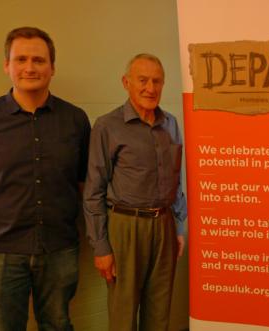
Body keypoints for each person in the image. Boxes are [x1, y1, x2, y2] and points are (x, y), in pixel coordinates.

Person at [0, 27, 90, 330]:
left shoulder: (75, 120)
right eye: (21, 59)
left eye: (39, 60)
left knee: (58, 323)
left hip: (59, 248)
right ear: (7, 66)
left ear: (52, 67)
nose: (30, 67)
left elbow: (82, 180)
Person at [83, 53, 187, 331]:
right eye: (143, 80)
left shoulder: (172, 125)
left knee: (159, 310)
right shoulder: (107, 126)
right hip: (124, 228)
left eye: (157, 81)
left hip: (164, 225)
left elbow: (175, 181)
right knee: (123, 313)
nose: (150, 88)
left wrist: (178, 227)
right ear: (126, 82)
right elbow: (93, 189)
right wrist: (102, 246)